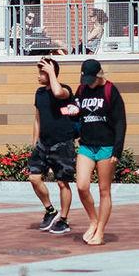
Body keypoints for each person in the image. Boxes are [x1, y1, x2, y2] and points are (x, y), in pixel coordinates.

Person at [64, 59, 127, 246]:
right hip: (86, 144)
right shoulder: (82, 89)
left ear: (99, 74)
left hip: (106, 146)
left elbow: (120, 121)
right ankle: (93, 220)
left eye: (92, 78)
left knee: (104, 190)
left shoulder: (110, 90)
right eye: (86, 79)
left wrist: (118, 148)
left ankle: (100, 231)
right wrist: (73, 110)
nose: (89, 82)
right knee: (82, 186)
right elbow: (77, 106)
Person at [28, 58, 79, 235]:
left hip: (63, 143)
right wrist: (35, 141)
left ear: (51, 72)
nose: (38, 75)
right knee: (34, 178)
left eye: (42, 72)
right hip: (43, 143)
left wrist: (51, 72)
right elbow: (37, 118)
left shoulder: (65, 90)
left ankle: (63, 220)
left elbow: (58, 93)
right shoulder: (39, 93)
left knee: (62, 183)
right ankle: (51, 211)